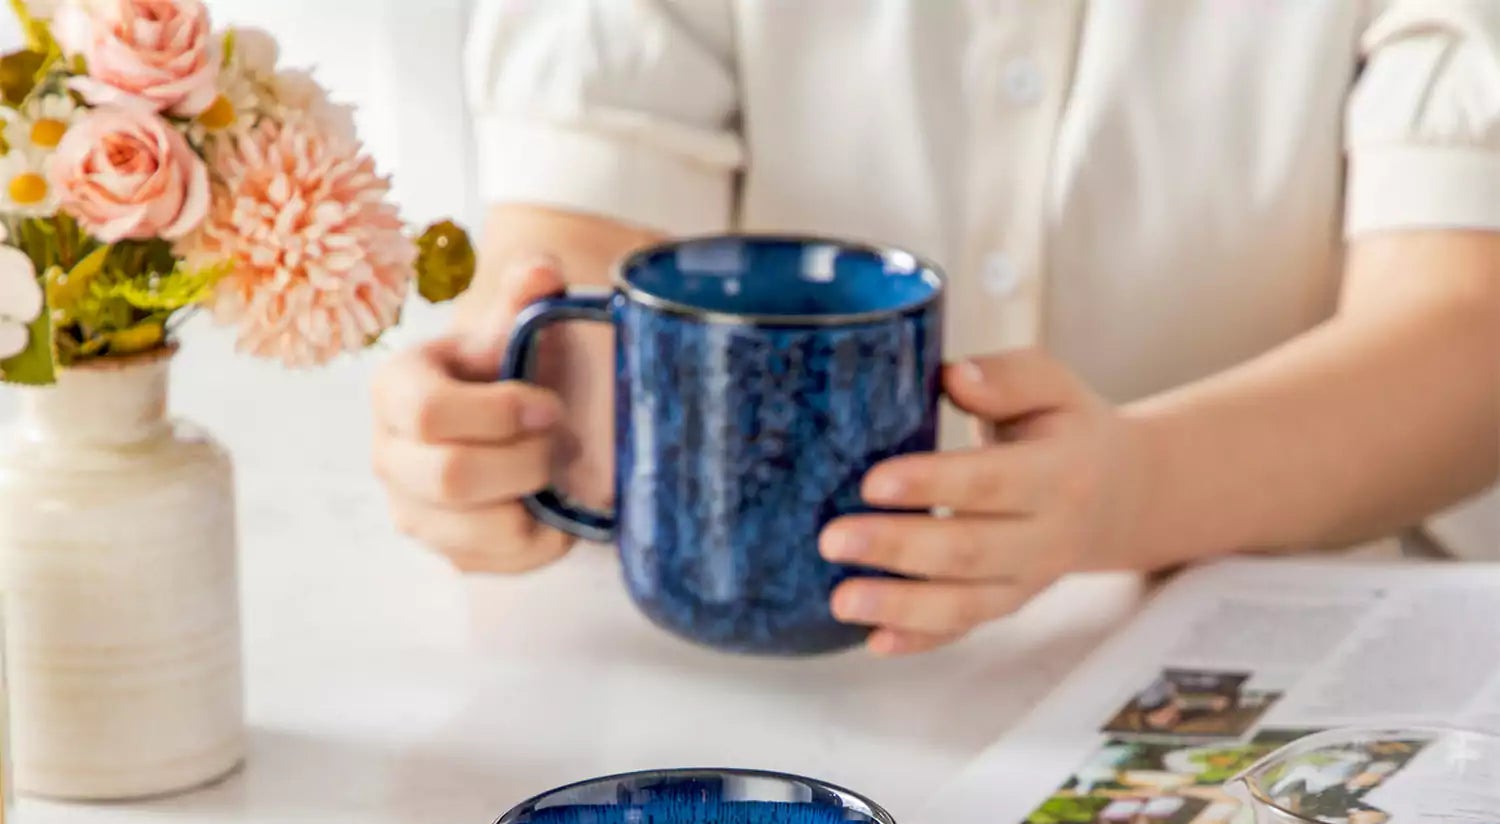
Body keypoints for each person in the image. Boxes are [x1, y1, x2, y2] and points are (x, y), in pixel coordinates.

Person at [372, 2, 1500, 657]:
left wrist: (1131, 491)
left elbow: (1465, 326)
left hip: (1283, 665)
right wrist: (503, 431)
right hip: (725, 699)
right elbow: (583, 238)